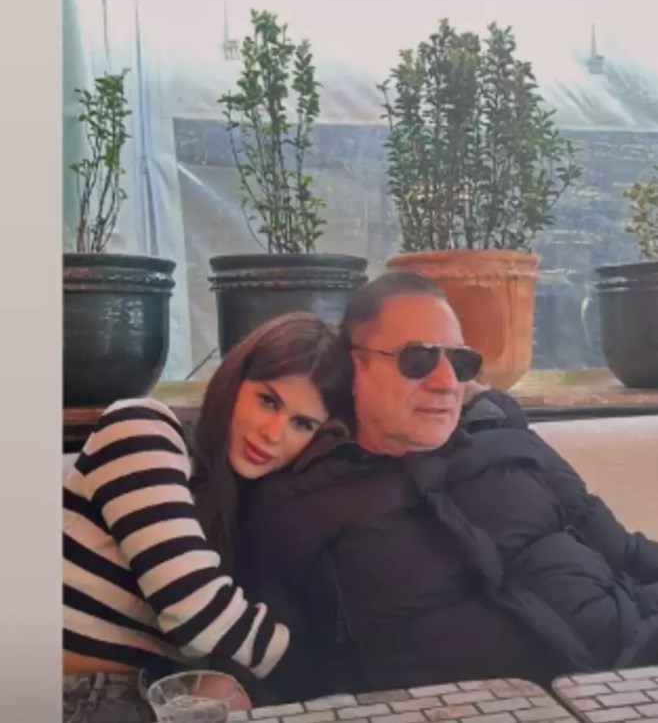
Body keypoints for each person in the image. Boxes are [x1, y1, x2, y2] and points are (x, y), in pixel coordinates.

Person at [239, 272, 658, 701]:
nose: (445, 382)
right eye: (417, 359)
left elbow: (626, 553)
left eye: (459, 363)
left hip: (639, 670)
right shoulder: (299, 506)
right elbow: (290, 673)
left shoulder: (505, 437)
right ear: (353, 368)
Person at [63, 311, 353, 723]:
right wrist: (340, 682)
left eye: (302, 424)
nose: (273, 433)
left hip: (147, 697)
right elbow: (195, 612)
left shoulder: (241, 512)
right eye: (268, 400)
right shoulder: (141, 429)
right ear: (234, 383)